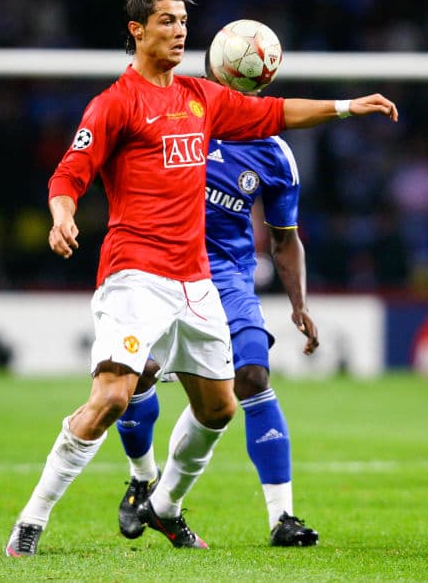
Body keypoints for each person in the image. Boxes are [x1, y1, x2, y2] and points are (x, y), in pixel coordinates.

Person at [5, 0, 398, 555]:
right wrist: (61, 216)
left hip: (196, 282)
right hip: (136, 273)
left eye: (184, 22)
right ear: (137, 30)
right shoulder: (115, 103)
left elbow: (275, 113)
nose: (180, 31)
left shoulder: (201, 98)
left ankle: (164, 506)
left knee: (219, 407)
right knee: (112, 396)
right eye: (167, 21)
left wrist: (346, 107)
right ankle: (31, 521)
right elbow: (69, 173)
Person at [114, 128, 321, 547]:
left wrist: (298, 304)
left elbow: (284, 237)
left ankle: (281, 518)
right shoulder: (180, 122)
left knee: (253, 377)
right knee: (139, 372)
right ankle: (143, 477)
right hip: (162, 271)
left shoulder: (274, 153)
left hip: (228, 279)